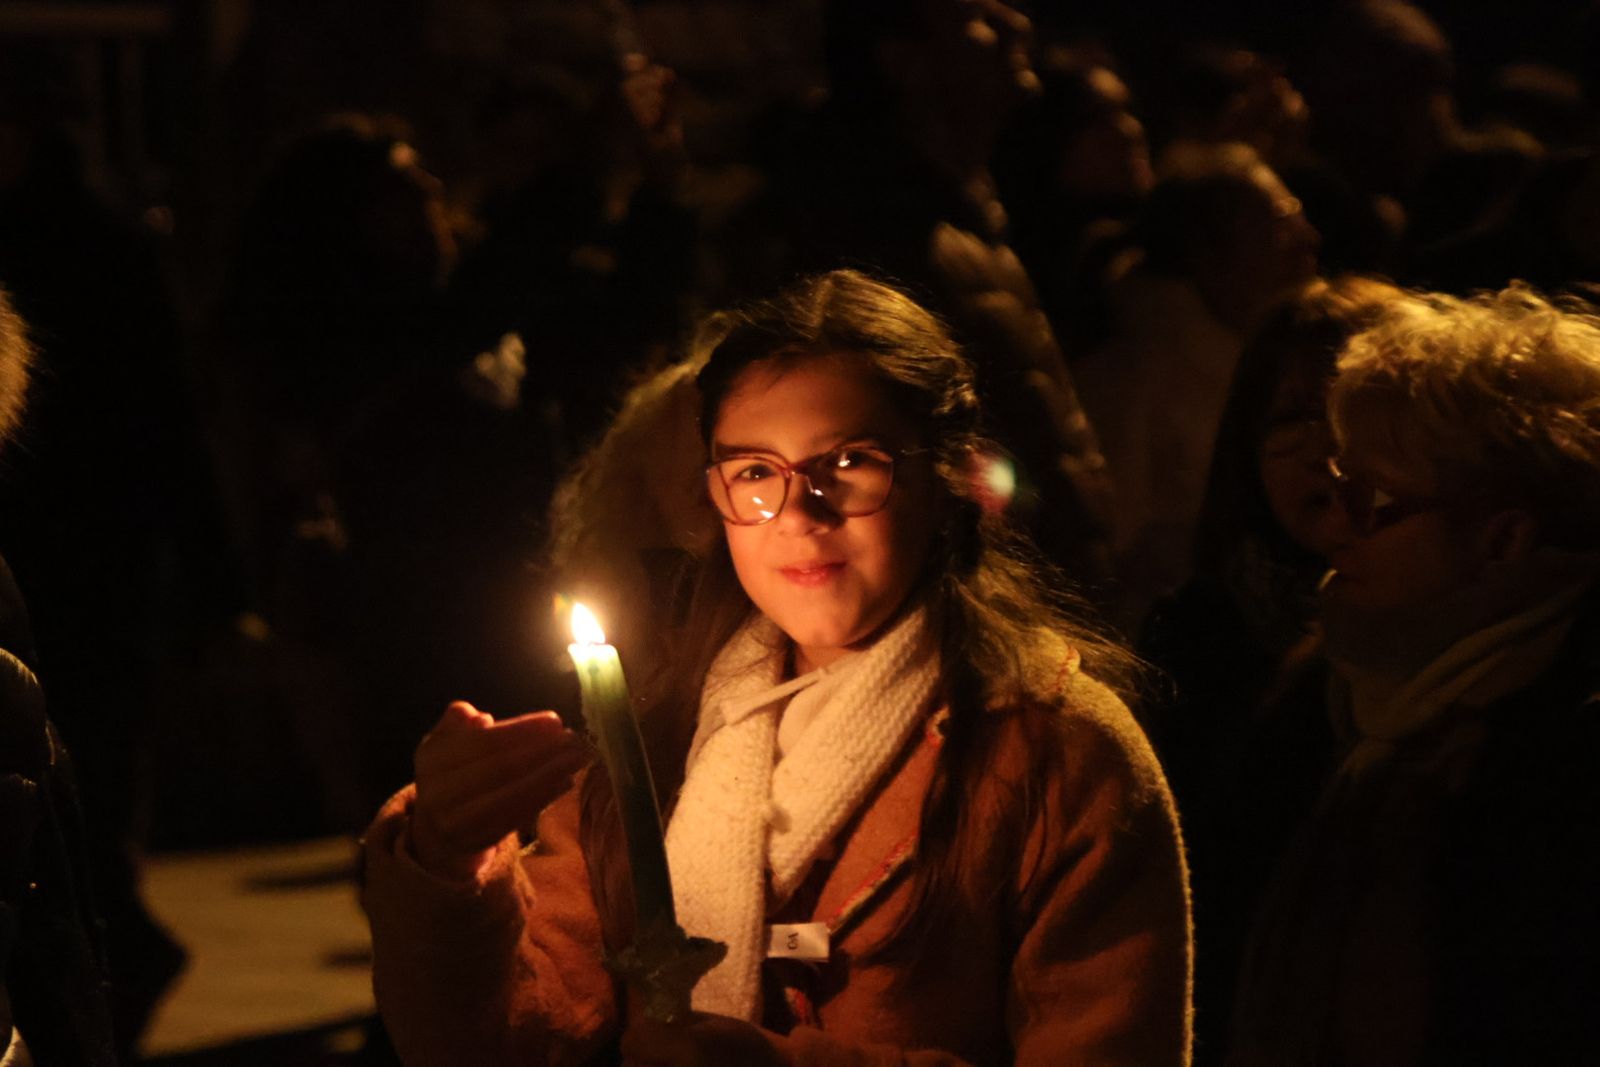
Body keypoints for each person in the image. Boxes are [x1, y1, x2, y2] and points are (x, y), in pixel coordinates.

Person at [360, 270, 1192, 1065]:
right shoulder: (661, 733)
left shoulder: (1058, 757)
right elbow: (498, 1039)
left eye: (849, 463)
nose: (798, 511)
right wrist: (445, 854)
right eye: (755, 472)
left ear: (947, 480)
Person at [1230, 285, 1600, 1065]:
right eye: (1336, 479)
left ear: (1503, 540)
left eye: (1372, 497)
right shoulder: (1325, 697)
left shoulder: (1567, 753)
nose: (1334, 519)